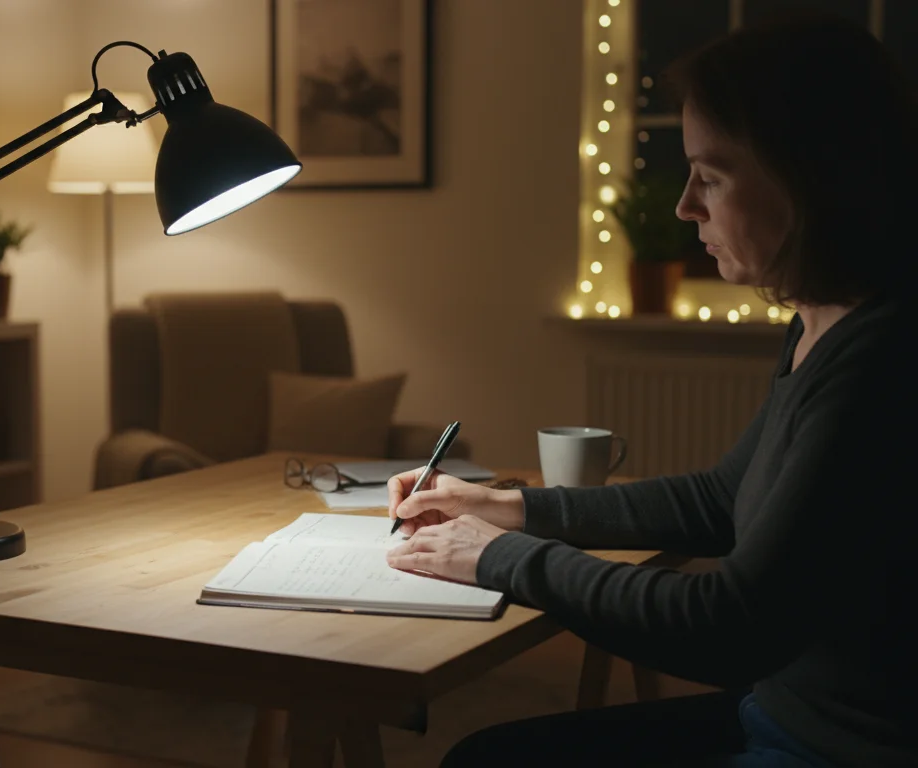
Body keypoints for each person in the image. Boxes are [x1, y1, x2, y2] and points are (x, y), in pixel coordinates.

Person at [385, 15, 916, 768]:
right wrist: (503, 505)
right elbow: (719, 500)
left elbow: (731, 629)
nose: (685, 206)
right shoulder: (819, 322)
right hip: (785, 710)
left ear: (809, 177)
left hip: (838, 747)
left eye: (714, 175)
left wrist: (499, 556)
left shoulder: (884, 359)